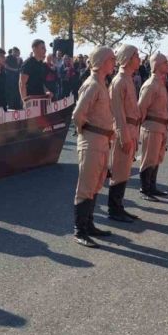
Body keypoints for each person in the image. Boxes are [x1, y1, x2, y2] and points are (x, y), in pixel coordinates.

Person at [71, 46, 116, 248]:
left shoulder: (101, 83)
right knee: (86, 186)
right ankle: (80, 230)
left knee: (96, 184)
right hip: (92, 141)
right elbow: (78, 115)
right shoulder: (92, 85)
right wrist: (88, 134)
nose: (114, 62)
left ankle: (89, 225)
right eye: (111, 59)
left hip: (101, 141)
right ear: (101, 61)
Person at [107, 44, 142, 223]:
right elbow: (118, 113)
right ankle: (114, 209)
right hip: (125, 130)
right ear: (128, 58)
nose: (139, 58)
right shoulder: (119, 81)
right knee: (119, 170)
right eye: (136, 55)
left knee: (125, 170)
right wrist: (123, 135)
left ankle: (119, 207)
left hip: (132, 129)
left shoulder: (128, 78)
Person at [138, 52, 168, 201]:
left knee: (157, 157)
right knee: (149, 158)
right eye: (164, 63)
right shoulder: (151, 84)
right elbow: (141, 108)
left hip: (161, 126)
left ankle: (152, 186)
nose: (167, 65)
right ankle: (145, 189)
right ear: (157, 65)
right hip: (152, 126)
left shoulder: (160, 83)